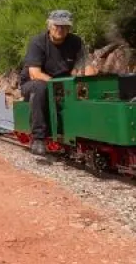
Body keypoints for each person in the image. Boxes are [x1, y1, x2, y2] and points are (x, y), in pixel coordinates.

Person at [20, 10, 98, 156]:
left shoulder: (75, 41)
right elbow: (34, 73)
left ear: (69, 28)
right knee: (40, 87)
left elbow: (87, 65)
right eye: (57, 26)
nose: (60, 29)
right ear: (49, 26)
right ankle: (38, 138)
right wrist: (58, 85)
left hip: (63, 81)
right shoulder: (37, 42)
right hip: (34, 83)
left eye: (64, 26)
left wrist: (90, 81)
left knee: (83, 87)